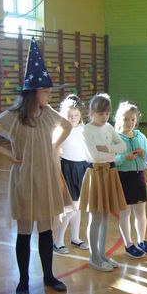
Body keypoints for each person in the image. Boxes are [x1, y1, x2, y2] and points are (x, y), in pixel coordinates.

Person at [0, 38, 71, 294]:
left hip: (47, 177)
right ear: (33, 92)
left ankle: (49, 276)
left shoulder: (47, 112)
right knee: (25, 232)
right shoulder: (13, 116)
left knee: (46, 230)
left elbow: (67, 126)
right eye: (46, 92)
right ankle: (24, 281)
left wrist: (54, 145)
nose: (49, 96)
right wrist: (8, 154)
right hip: (25, 179)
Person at [80, 94, 127, 271]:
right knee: (96, 217)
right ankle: (94, 257)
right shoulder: (86, 130)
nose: (105, 117)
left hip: (110, 173)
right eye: (101, 113)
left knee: (105, 216)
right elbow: (95, 156)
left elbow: (123, 146)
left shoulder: (108, 127)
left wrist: (107, 149)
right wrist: (112, 151)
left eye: (107, 113)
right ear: (92, 112)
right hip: (96, 174)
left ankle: (102, 254)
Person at [113, 101, 147, 258]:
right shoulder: (116, 137)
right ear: (119, 119)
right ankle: (128, 244)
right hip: (123, 178)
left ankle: (141, 240)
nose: (129, 122)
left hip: (138, 177)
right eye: (125, 119)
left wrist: (144, 154)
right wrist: (125, 157)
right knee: (125, 213)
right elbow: (113, 160)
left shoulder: (140, 136)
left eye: (132, 119)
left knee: (140, 212)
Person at [54, 95, 90, 254]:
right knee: (70, 207)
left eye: (76, 115)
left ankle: (75, 237)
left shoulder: (84, 129)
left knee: (78, 206)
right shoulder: (61, 130)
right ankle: (58, 241)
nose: (73, 118)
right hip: (67, 168)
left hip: (82, 168)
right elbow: (55, 150)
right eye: (69, 115)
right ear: (64, 115)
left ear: (80, 115)